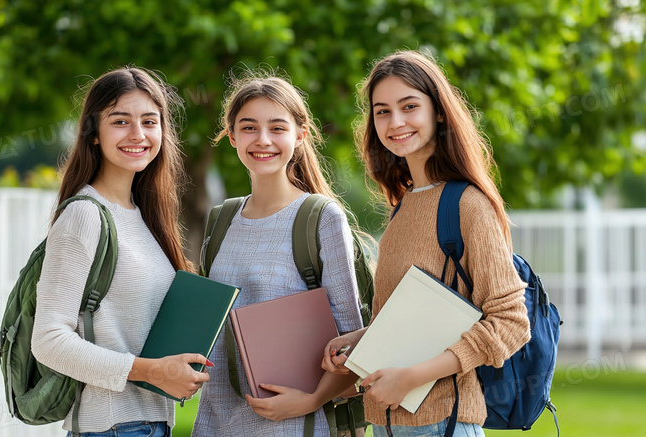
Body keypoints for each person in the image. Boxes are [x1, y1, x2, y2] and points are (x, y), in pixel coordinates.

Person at [321, 50, 532, 437]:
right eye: (382, 111)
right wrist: (359, 341)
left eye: (409, 106)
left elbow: (511, 322)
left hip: (443, 423)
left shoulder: (468, 204)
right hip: (389, 423)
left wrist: (412, 377)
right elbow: (415, 321)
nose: (395, 122)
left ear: (437, 111)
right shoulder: (404, 207)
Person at [31, 67, 210, 437]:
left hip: (148, 424)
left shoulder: (142, 215)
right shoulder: (84, 214)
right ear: (93, 133)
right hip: (112, 426)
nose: (138, 134)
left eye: (149, 121)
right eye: (120, 121)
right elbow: (48, 339)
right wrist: (151, 371)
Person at [191, 71, 364, 436]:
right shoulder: (221, 220)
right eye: (249, 127)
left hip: (294, 425)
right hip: (216, 423)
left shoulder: (320, 218)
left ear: (300, 136)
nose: (263, 140)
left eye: (277, 127)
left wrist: (310, 401)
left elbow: (354, 340)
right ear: (232, 135)